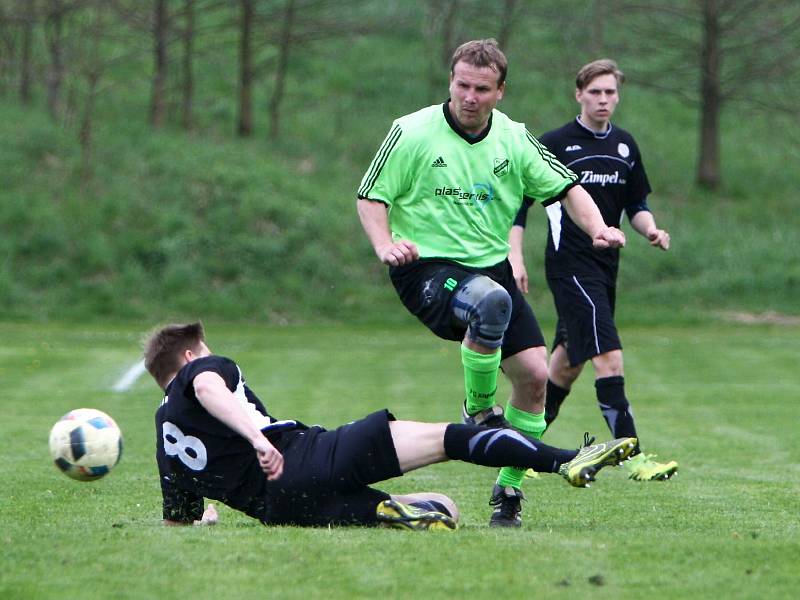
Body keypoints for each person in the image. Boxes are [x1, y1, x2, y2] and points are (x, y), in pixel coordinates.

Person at [356, 39, 626, 527]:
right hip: (426, 268)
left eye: (482, 88)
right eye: (462, 85)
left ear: (500, 91)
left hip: (491, 269)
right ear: (451, 83)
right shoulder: (412, 131)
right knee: (490, 301)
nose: (469, 96)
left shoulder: (514, 139)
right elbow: (370, 197)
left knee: (535, 378)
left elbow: (566, 188)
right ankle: (479, 412)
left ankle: (508, 493)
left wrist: (600, 228)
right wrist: (383, 246)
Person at [144, 322, 637, 530]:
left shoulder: (166, 434)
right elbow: (209, 387)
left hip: (281, 509)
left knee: (440, 507)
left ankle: (391, 510)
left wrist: (206, 520)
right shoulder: (201, 371)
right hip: (303, 455)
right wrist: (258, 440)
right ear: (188, 357)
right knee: (451, 438)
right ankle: (566, 459)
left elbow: (176, 521)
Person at [510, 59, 678, 482]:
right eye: (596, 92)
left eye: (611, 93)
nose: (604, 100)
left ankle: (517, 452)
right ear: (578, 94)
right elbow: (519, 206)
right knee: (609, 356)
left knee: (565, 366)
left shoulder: (625, 146)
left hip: (606, 269)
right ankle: (635, 458)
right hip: (570, 265)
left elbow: (636, 206)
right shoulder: (555, 144)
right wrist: (515, 257)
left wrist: (651, 230)